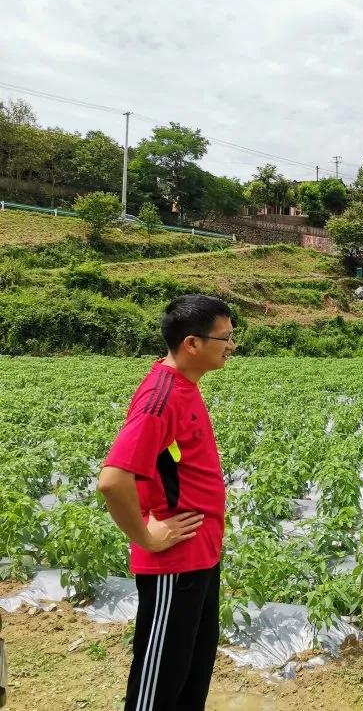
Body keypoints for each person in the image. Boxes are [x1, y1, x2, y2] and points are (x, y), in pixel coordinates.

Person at [98, 295, 236, 711]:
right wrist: (144, 535)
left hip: (200, 558)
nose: (231, 346)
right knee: (158, 685)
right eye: (225, 338)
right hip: (173, 564)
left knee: (191, 675)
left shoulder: (184, 386)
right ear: (192, 343)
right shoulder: (160, 398)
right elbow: (113, 479)